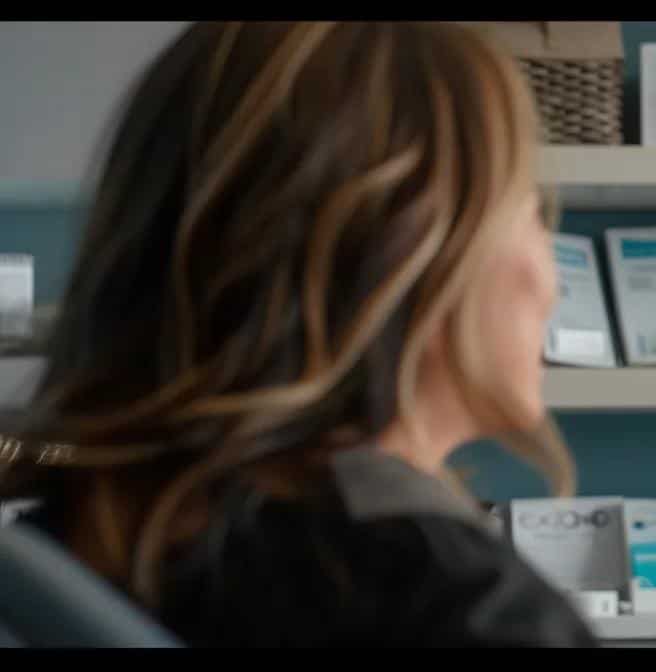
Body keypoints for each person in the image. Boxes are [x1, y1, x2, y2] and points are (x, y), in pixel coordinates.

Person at [0, 22, 599, 646]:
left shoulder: (59, 560)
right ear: (410, 257)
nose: (552, 278)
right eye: (529, 211)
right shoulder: (472, 613)